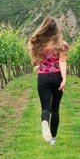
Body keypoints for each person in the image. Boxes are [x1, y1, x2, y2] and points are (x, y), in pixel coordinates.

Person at [27, 17, 69, 145]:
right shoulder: (62, 45)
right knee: (55, 109)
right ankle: (53, 139)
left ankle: (44, 121)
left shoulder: (38, 44)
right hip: (57, 77)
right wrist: (64, 79)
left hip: (43, 78)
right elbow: (62, 61)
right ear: (56, 29)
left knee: (45, 107)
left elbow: (36, 61)